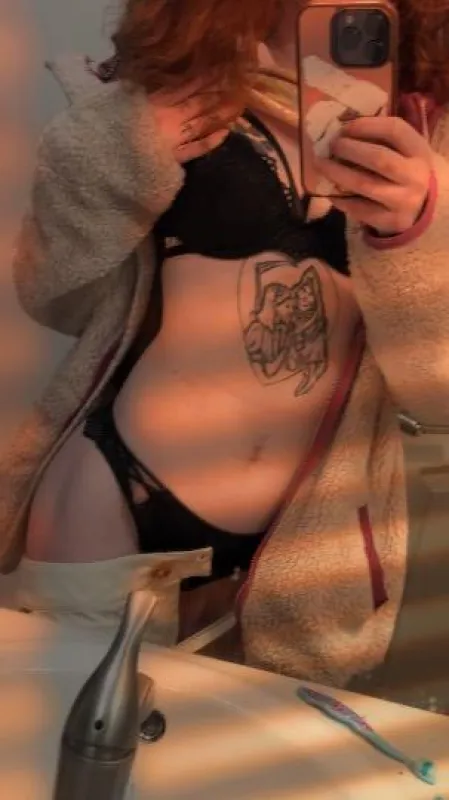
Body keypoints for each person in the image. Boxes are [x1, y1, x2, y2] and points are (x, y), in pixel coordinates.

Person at [2, 0, 449, 698]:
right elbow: (52, 295)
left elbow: (436, 392)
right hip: (115, 498)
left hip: (304, 549)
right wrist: (126, 156)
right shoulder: (176, 86)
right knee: (68, 738)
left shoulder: (426, 133)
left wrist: (420, 232)